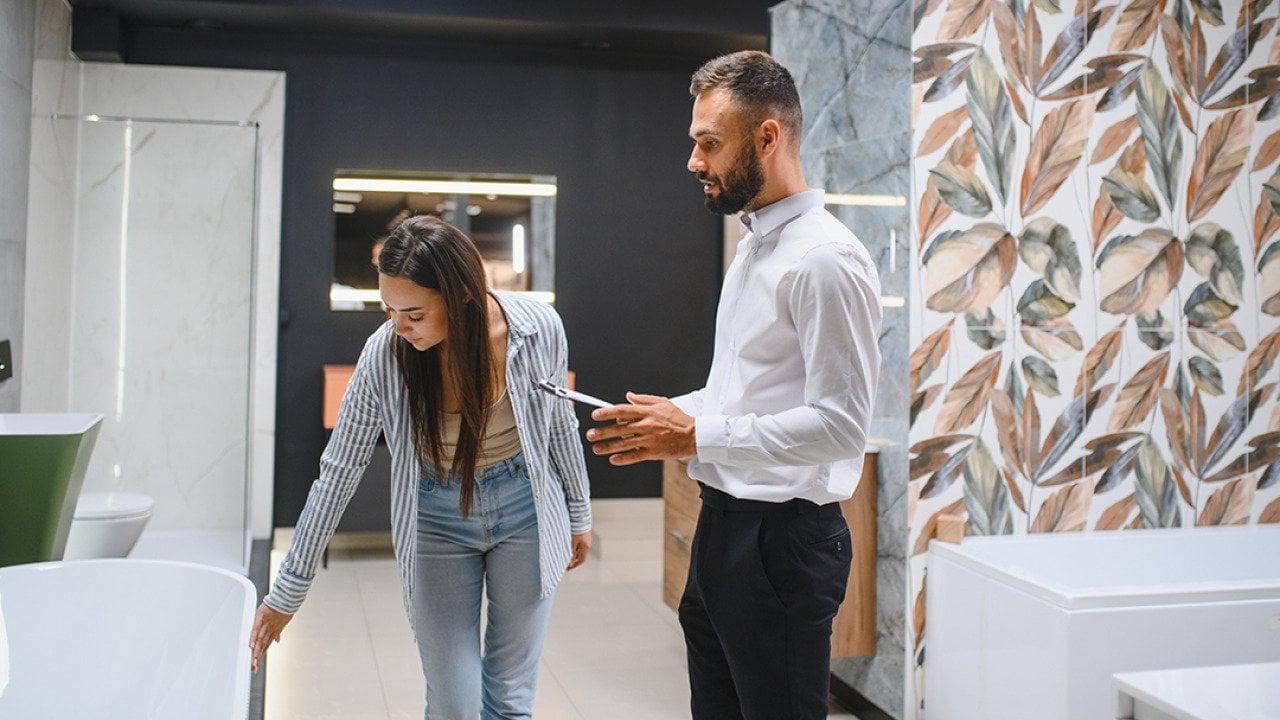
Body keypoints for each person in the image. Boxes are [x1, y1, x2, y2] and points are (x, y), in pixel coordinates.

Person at [586, 50, 882, 720]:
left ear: (768, 137)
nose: (695, 161)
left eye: (709, 143)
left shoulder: (824, 261)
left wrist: (695, 432)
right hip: (722, 526)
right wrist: (672, 417)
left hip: (784, 544)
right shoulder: (755, 245)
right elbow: (746, 391)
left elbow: (841, 426)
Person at [251, 214, 593, 720]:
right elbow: (337, 474)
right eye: (388, 309)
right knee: (454, 704)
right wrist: (288, 591)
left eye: (413, 313)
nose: (398, 327)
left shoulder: (536, 328)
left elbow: (558, 422)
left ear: (461, 297)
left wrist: (579, 511)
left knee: (508, 700)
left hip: (526, 510)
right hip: (436, 520)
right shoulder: (384, 356)